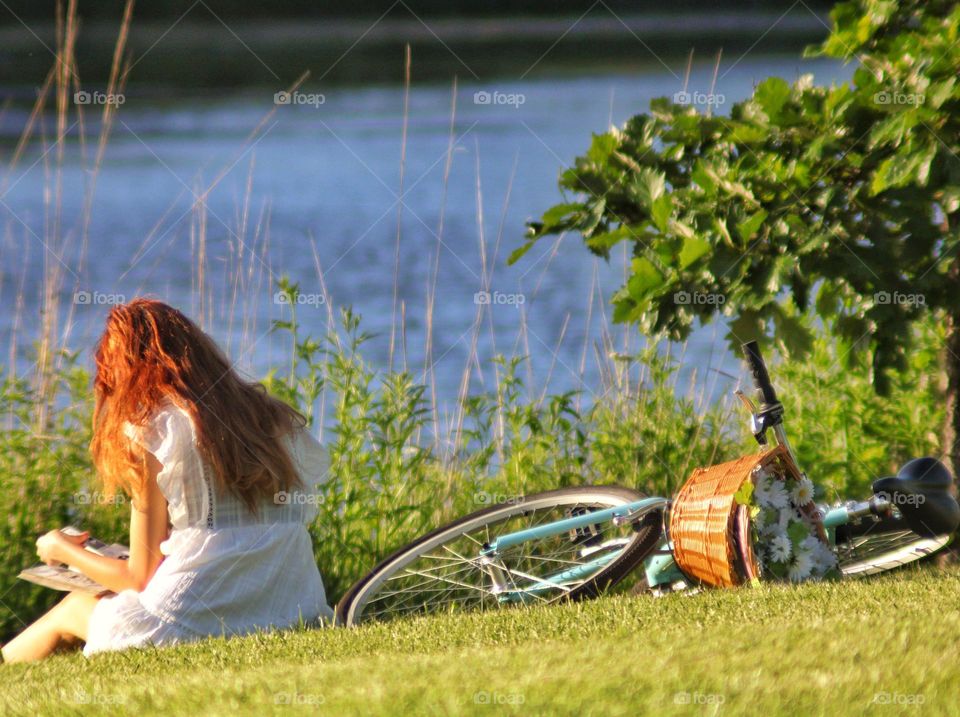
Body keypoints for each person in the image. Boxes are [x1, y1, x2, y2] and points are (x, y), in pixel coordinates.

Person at [1, 298, 333, 662]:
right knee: (103, 599)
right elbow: (236, 529)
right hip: (295, 606)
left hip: (196, 620)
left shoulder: (154, 431)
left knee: (75, 607)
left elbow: (138, 577)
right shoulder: (271, 417)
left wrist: (64, 550)